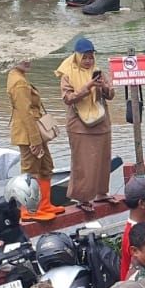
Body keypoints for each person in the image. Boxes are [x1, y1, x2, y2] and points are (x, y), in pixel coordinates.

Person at [55, 39, 115, 206]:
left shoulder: (98, 72)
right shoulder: (68, 74)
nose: (88, 61)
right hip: (79, 126)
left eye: (91, 57)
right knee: (83, 163)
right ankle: (81, 198)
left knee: (103, 160)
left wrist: (103, 86)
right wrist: (87, 87)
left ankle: (102, 193)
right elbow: (68, 98)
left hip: (101, 123)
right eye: (85, 58)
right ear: (77, 57)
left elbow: (110, 95)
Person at [7, 58, 59, 222]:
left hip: (33, 129)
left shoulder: (18, 76)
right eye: (22, 58)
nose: (27, 61)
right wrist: (35, 140)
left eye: (29, 57)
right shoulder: (19, 82)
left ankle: (44, 205)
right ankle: (29, 210)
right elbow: (26, 113)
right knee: (31, 172)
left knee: (46, 166)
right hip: (28, 132)